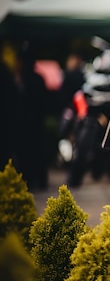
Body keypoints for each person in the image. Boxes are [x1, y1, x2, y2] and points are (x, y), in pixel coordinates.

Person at [12, 41, 49, 190]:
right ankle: (38, 181)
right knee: (37, 152)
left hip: (25, 123)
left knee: (27, 153)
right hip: (36, 122)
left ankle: (29, 181)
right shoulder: (36, 79)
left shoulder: (21, 79)